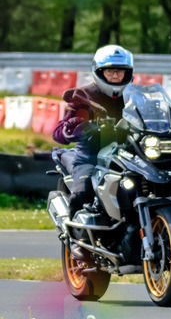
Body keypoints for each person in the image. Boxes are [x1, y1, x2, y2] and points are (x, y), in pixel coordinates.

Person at [52, 45, 135, 229]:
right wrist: (72, 127)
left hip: (129, 156)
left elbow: (155, 115)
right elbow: (58, 132)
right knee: (84, 191)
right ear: (99, 71)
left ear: (128, 73)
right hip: (91, 157)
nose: (115, 76)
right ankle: (75, 238)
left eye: (120, 71)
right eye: (110, 71)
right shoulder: (82, 96)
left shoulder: (134, 97)